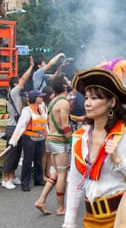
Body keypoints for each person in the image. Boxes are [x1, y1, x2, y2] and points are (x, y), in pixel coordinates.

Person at [62, 59, 126, 228]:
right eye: (87, 97)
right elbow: (75, 182)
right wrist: (69, 223)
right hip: (90, 219)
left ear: (112, 102)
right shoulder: (80, 137)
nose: (87, 103)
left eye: (94, 98)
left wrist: (120, 161)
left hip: (122, 218)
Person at [34, 74, 72, 216]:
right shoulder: (64, 102)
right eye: (67, 80)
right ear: (63, 86)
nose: (69, 82)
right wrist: (73, 142)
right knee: (62, 173)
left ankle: (41, 200)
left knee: (56, 172)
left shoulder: (52, 101)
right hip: (59, 141)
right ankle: (60, 208)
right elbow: (65, 126)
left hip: (50, 139)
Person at [1, 56, 34, 190]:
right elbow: (24, 79)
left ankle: (12, 175)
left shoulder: (18, 96)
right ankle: (5, 179)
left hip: (18, 128)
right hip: (13, 128)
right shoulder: (14, 92)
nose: (22, 83)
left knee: (17, 153)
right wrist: (31, 67)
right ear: (15, 84)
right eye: (19, 82)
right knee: (11, 154)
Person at [8, 89, 48, 191]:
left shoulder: (41, 108)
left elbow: (44, 124)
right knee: (27, 161)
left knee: (38, 160)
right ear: (35, 98)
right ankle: (25, 183)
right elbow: (21, 126)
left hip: (40, 138)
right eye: (40, 96)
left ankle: (38, 179)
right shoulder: (27, 110)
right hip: (29, 139)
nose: (42, 98)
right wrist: (13, 141)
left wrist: (48, 136)